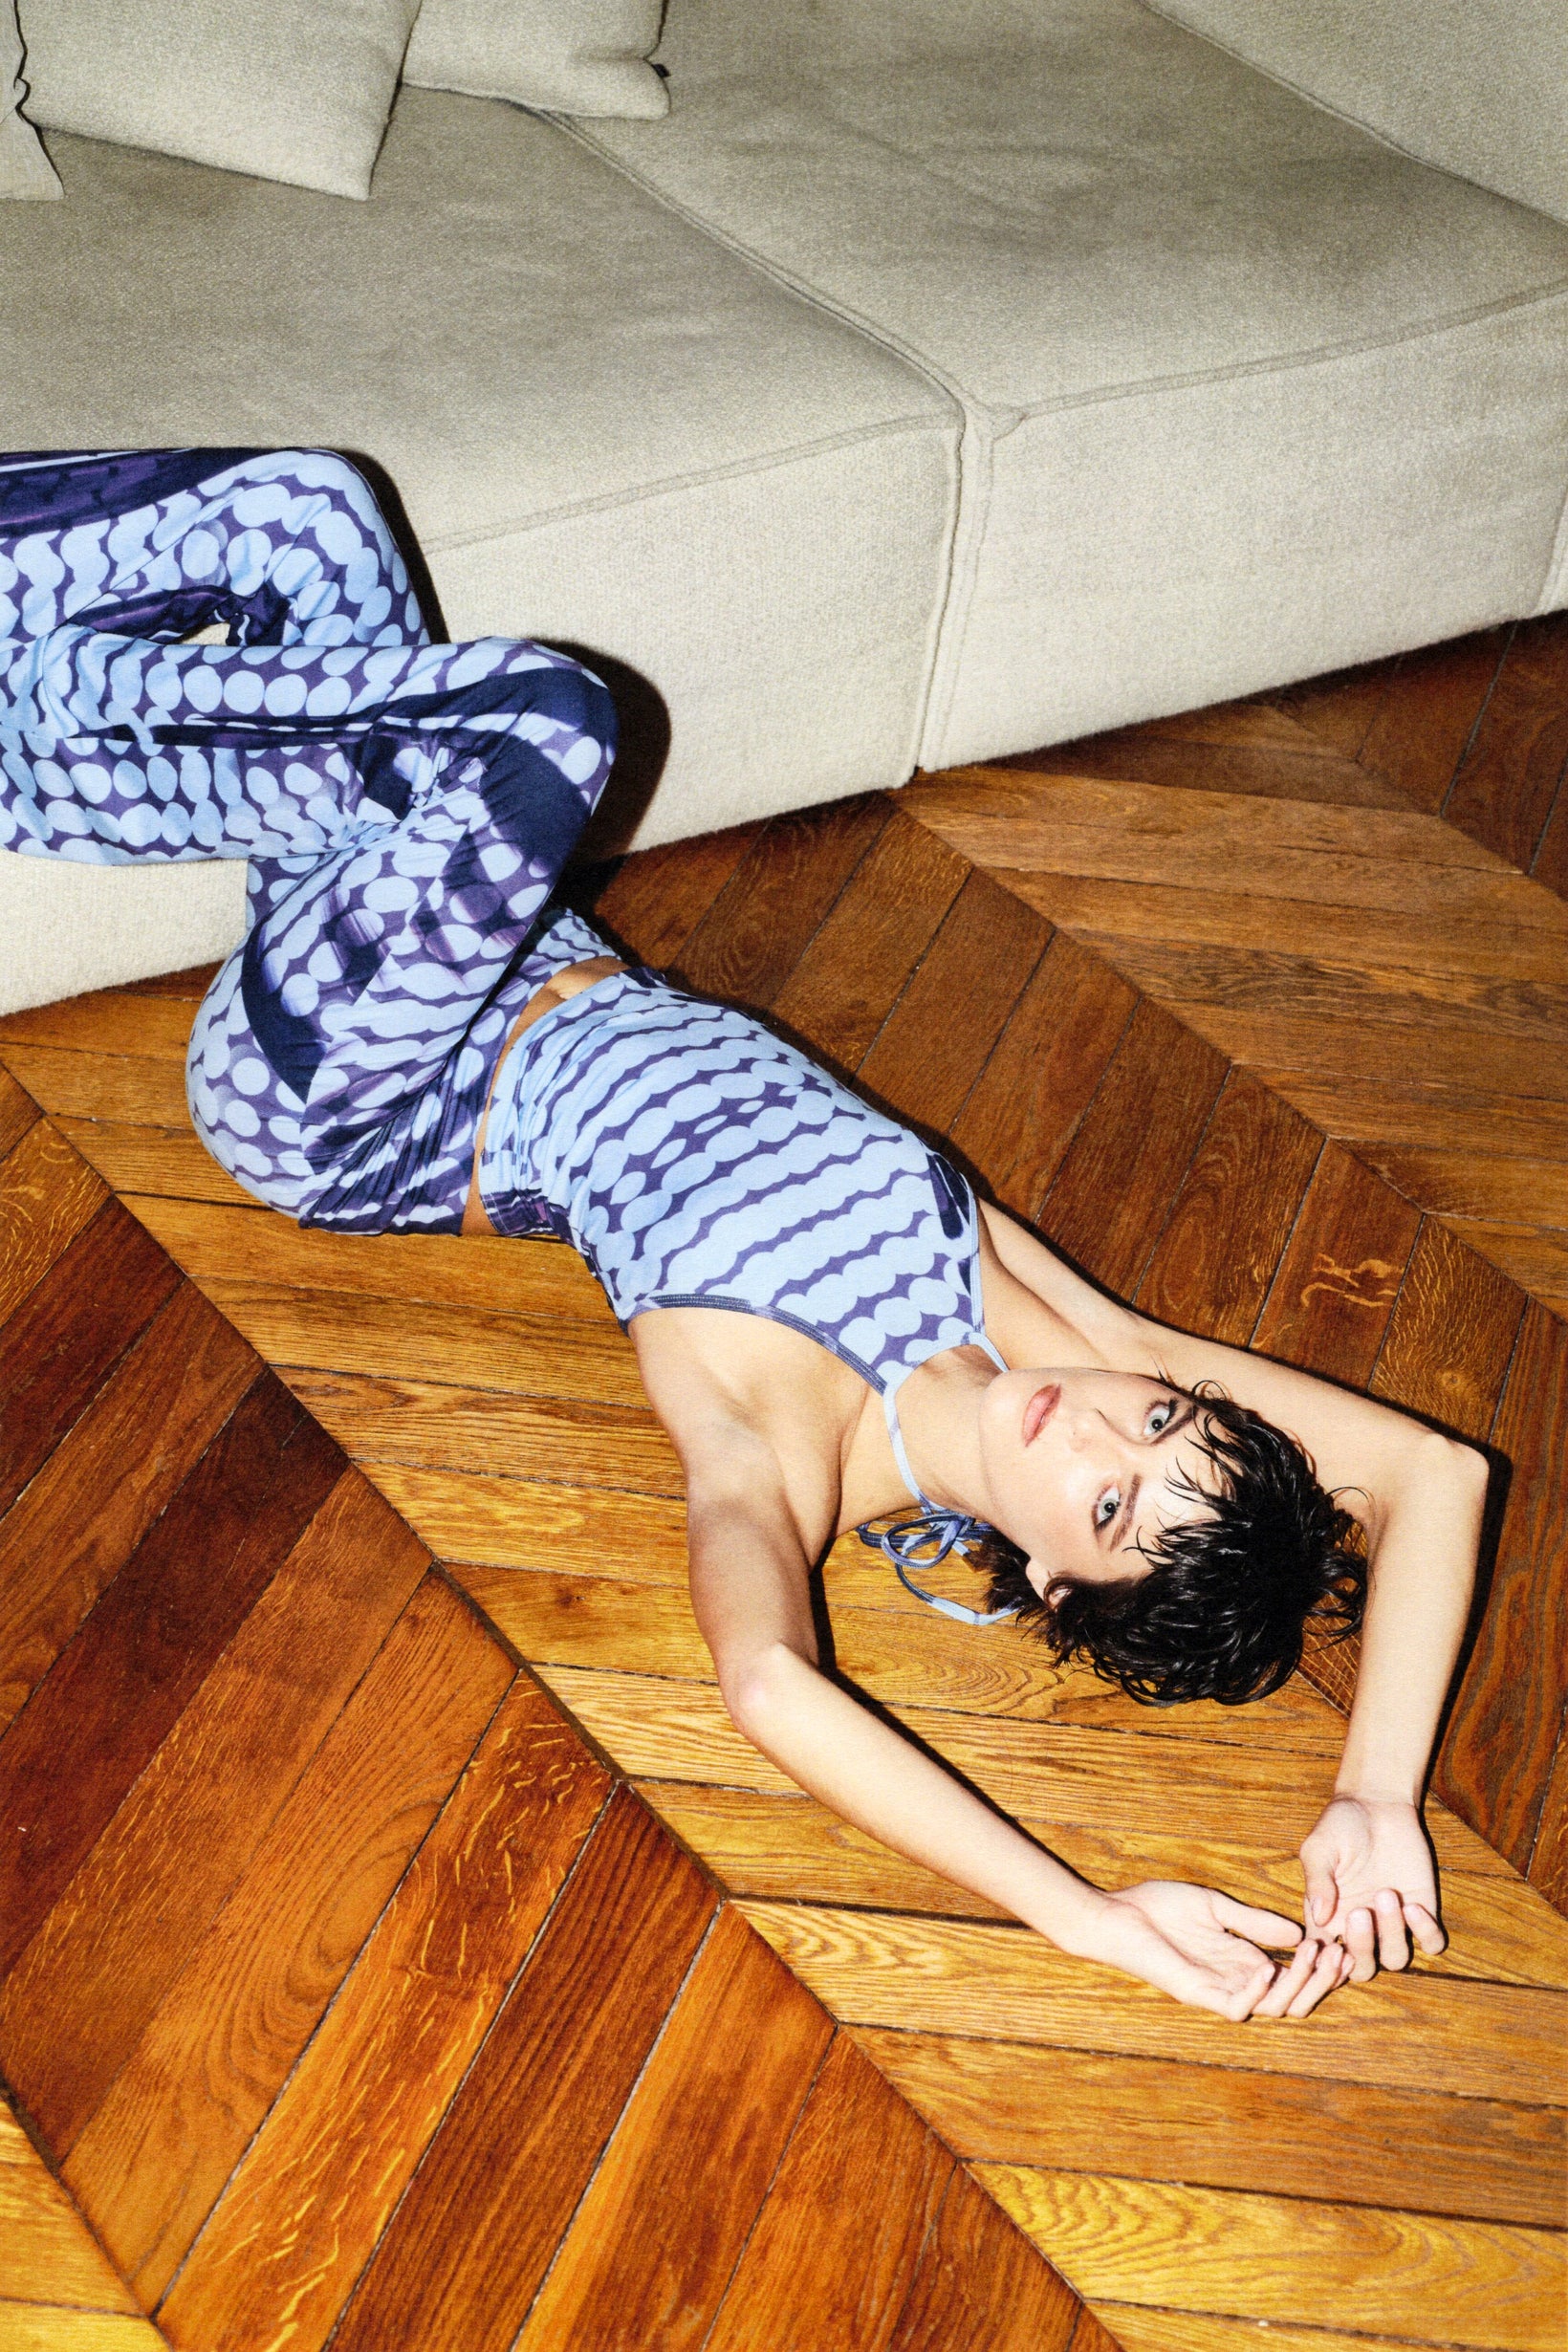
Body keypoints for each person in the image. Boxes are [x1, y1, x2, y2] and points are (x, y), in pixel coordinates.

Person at [1, 447, 1488, 2020]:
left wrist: (1086, 1918)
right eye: (1168, 1421)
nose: (1103, 1430)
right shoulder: (1047, 1327)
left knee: (545, 727)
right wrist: (1373, 1797)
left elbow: (773, 1683)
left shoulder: (793, 1451)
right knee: (308, 514)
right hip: (490, 930)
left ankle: (45, 726)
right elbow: (1433, 1474)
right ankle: (51, 730)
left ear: (1056, 1581)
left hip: (350, 1094)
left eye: (1111, 1506)